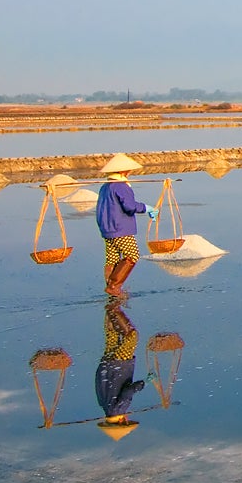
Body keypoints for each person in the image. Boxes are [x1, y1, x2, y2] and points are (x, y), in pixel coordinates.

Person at [96, 153, 158, 298]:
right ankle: (114, 286)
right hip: (120, 228)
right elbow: (129, 206)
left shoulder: (105, 187)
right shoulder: (121, 186)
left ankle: (112, 290)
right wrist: (146, 208)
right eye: (128, 171)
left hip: (107, 228)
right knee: (132, 255)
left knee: (112, 259)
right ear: (123, 172)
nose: (130, 173)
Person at [95, 298, 147, 439]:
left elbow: (128, 391)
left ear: (122, 422)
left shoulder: (118, 410)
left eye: (126, 420)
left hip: (119, 365)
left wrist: (143, 384)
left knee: (131, 336)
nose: (127, 417)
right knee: (112, 336)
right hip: (107, 365)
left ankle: (114, 308)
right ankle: (110, 304)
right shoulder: (104, 405)